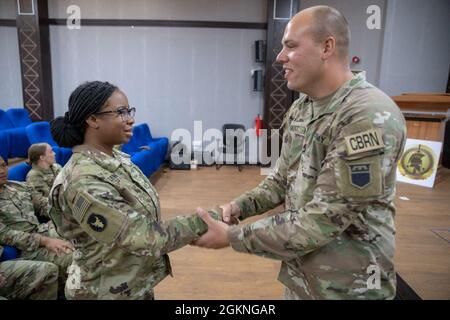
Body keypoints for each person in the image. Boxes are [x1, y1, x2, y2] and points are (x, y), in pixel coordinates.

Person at [194, 5, 406, 300]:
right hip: (303, 278)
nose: (280, 57)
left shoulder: (367, 115)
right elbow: (281, 180)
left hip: (350, 287)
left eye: (290, 46)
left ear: (326, 47)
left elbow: (324, 217)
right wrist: (239, 206)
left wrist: (233, 237)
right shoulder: (302, 107)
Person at [49, 80, 217, 300]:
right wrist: (208, 220)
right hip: (103, 292)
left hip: (130, 284)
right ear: (92, 119)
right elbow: (145, 236)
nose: (130, 119)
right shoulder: (84, 180)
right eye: (120, 112)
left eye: (129, 110)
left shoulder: (114, 157)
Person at [0, 156, 73, 295]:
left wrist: (68, 210)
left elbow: (44, 205)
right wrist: (45, 241)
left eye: (3, 165)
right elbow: (5, 234)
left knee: (86, 242)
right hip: (25, 247)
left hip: (43, 231)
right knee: (74, 258)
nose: (2, 170)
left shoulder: (18, 186)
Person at [0, 223, 59, 300]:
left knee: (49, 270)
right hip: (23, 247)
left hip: (37, 233)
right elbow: (5, 234)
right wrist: (44, 241)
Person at [26, 143, 63, 214]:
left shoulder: (56, 167)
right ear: (42, 157)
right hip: (56, 211)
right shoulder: (33, 177)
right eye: (51, 151)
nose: (54, 153)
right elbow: (40, 205)